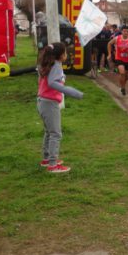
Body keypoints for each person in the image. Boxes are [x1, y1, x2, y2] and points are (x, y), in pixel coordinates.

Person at [37, 42, 84, 173]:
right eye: (65, 52)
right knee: (56, 134)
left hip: (42, 101)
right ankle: (53, 165)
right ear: (60, 55)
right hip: (49, 104)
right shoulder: (56, 65)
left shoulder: (48, 64)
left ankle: (47, 159)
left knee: (49, 132)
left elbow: (45, 82)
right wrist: (73, 92)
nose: (66, 54)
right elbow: (52, 83)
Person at [107, 25, 128, 95]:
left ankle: (123, 86)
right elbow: (109, 44)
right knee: (122, 73)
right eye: (124, 31)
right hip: (119, 58)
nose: (126, 32)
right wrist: (109, 54)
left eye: (127, 31)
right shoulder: (117, 38)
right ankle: (122, 87)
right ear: (121, 31)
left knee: (126, 76)